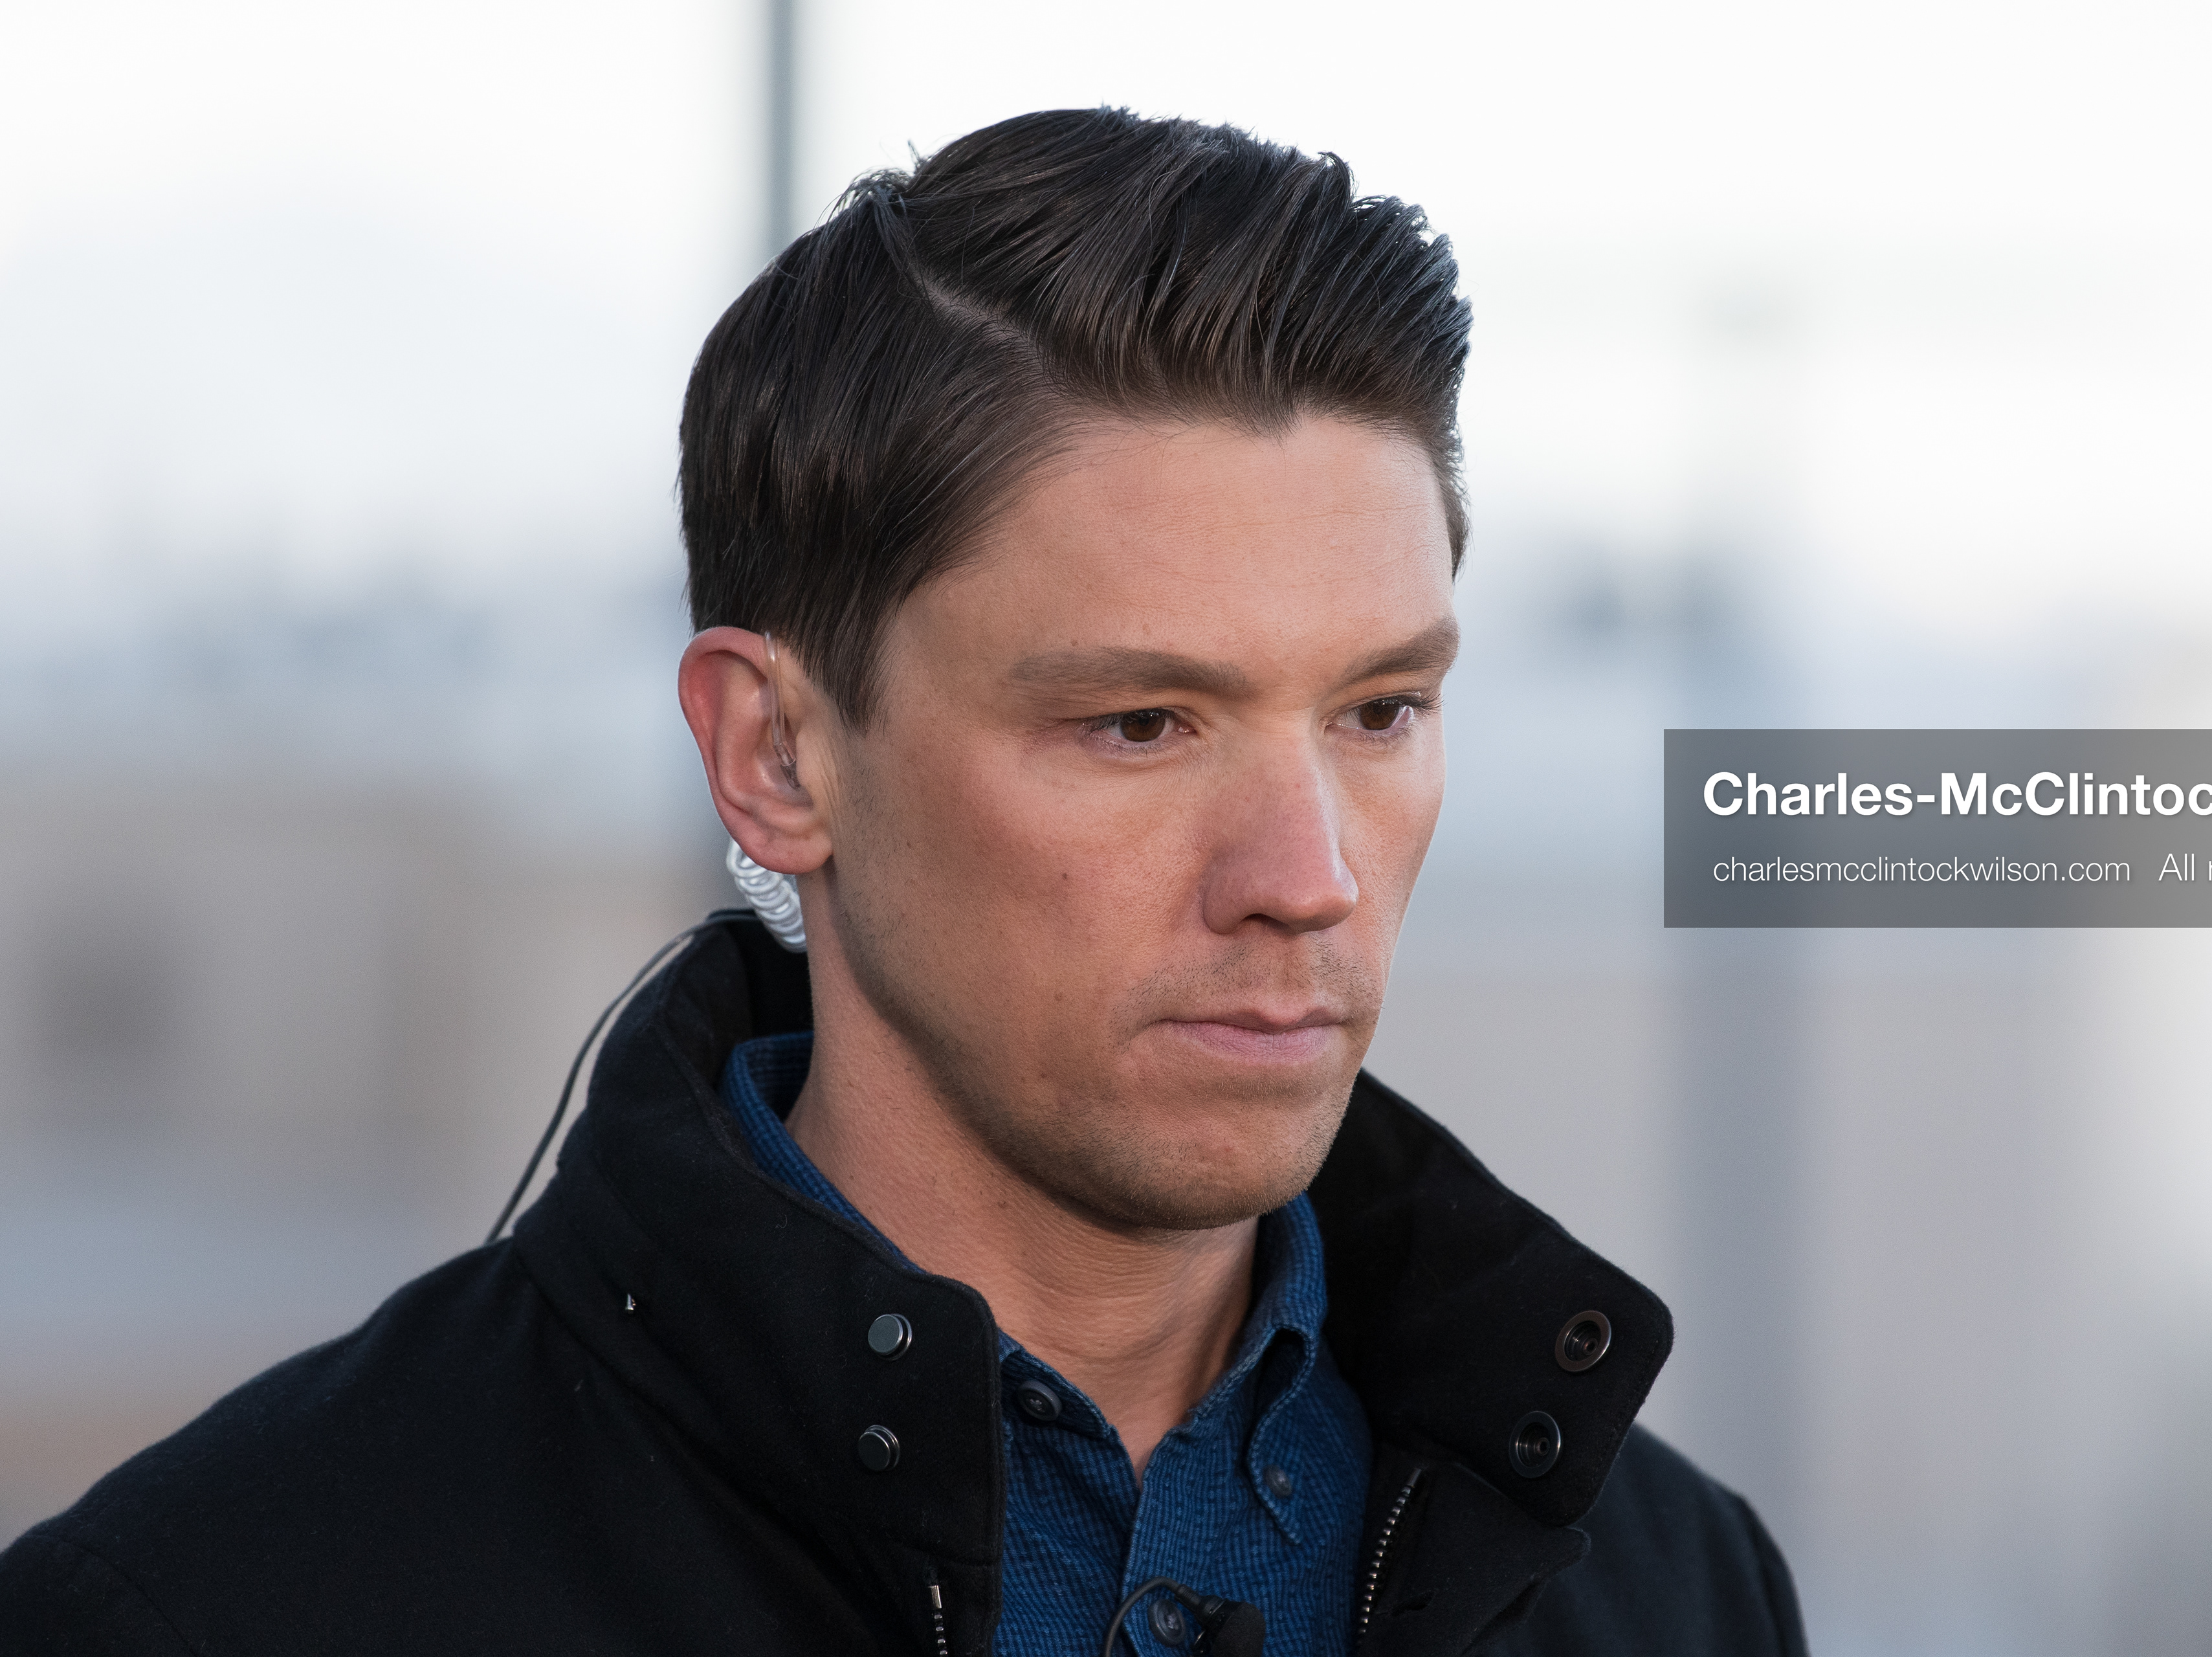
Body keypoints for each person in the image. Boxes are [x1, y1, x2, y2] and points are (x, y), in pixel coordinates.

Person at [0, 109, 1804, 1656]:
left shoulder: (1676, 1590)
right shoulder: (221, 1607)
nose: (1308, 878)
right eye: (1142, 724)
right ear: (777, 758)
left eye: (1382, 708)